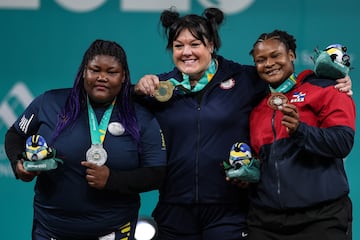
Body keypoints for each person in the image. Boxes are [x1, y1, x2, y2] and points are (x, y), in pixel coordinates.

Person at [133, 8, 352, 240]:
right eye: (179, 46)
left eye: (195, 44)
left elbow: (284, 80)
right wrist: (135, 89)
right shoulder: (161, 88)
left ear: (211, 45)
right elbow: (113, 100)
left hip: (228, 210)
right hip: (175, 207)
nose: (187, 52)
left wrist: (332, 80)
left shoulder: (243, 79)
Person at [4, 39, 167, 240]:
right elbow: (15, 135)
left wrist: (113, 180)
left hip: (114, 232)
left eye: (112, 72)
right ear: (83, 72)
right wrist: (19, 165)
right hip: (51, 231)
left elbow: (156, 173)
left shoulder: (140, 117)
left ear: (124, 76)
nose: (102, 77)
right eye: (95, 70)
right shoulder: (49, 103)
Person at [247, 30, 355, 240]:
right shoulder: (257, 108)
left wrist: (300, 130)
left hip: (321, 218)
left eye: (275, 55)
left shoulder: (326, 88)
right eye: (260, 60)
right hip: (265, 222)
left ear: (292, 56)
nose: (268, 64)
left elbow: (343, 143)